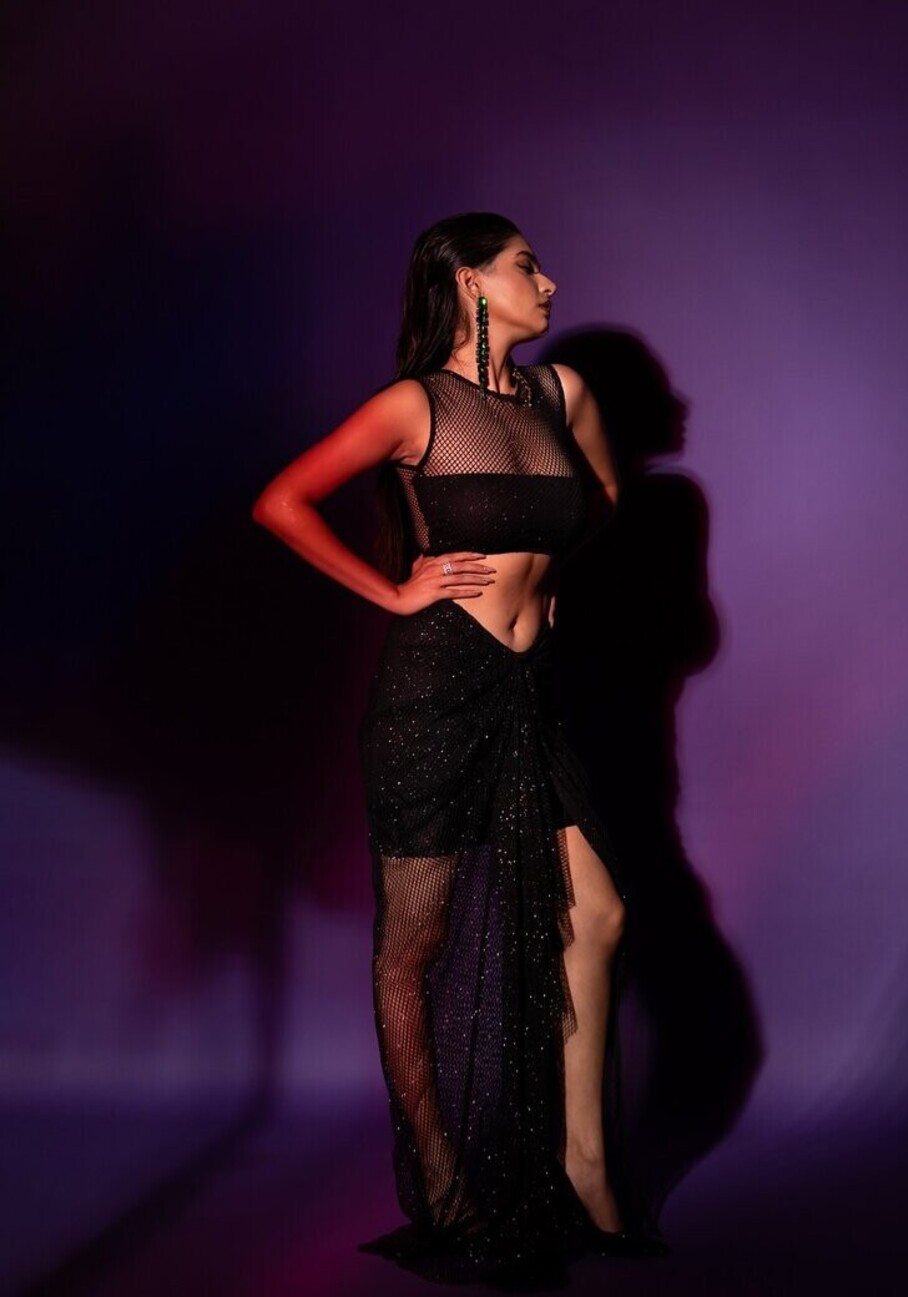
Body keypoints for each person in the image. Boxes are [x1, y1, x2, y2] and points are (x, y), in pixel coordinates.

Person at [252, 212, 669, 1285]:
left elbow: (601, 499)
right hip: (433, 698)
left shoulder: (563, 395)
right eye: (528, 266)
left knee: (600, 914)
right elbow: (282, 501)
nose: (551, 281)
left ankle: (584, 1164)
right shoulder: (415, 406)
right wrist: (393, 590)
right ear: (473, 284)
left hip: (529, 691)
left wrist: (550, 572)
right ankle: (441, 1179)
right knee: (417, 944)